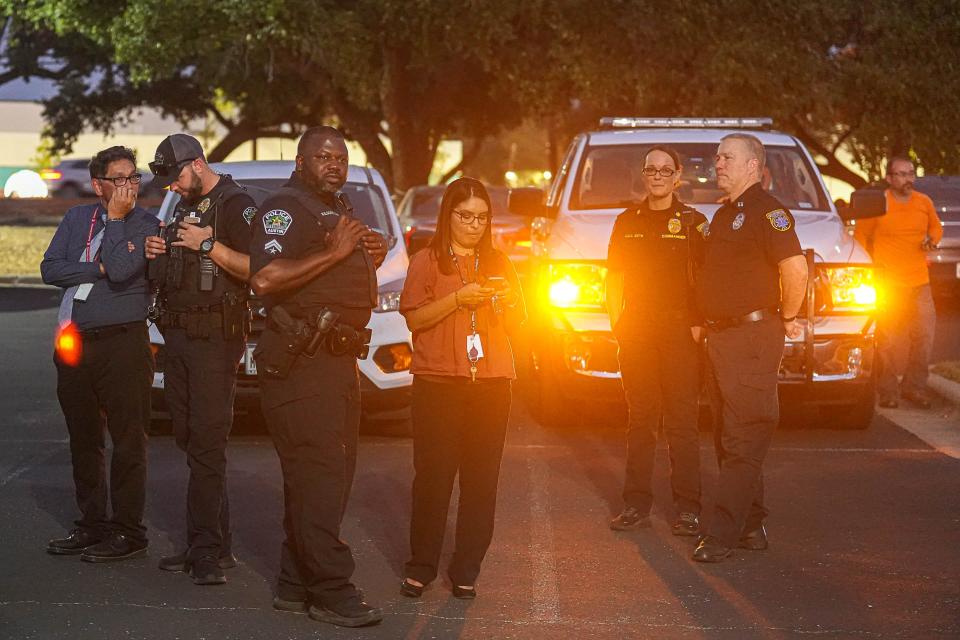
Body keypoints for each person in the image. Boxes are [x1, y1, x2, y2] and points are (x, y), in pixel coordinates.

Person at [248, 126, 387, 628]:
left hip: (336, 361)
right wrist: (334, 251)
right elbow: (265, 278)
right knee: (322, 475)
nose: (335, 165)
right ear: (301, 160)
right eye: (324, 156)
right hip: (302, 362)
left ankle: (294, 581)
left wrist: (366, 250)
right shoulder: (282, 208)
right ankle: (330, 589)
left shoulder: (334, 209)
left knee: (323, 476)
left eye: (341, 158)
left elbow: (337, 272)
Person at [398, 177, 526, 600]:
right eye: (465, 216)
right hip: (438, 382)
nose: (474, 225)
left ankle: (467, 567)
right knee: (433, 478)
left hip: (490, 383)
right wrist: (458, 299)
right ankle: (421, 565)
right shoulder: (427, 261)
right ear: (448, 215)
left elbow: (519, 321)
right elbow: (414, 319)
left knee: (481, 481)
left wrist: (505, 301)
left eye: (482, 218)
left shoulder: (499, 261)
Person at [144, 133, 257, 585]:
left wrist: (208, 245)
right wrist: (159, 252)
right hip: (179, 337)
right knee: (191, 438)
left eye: (176, 177)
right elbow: (178, 269)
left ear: (198, 163)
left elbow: (256, 269)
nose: (171, 187)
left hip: (215, 340)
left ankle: (206, 550)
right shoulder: (183, 205)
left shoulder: (235, 203)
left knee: (207, 442)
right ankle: (213, 542)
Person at [693, 133, 808, 563]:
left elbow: (795, 268)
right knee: (729, 434)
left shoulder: (769, 211)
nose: (718, 163)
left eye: (727, 157)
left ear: (751, 165)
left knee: (745, 436)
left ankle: (722, 533)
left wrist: (790, 317)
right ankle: (752, 525)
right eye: (718, 156)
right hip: (721, 338)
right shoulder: (724, 215)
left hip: (752, 338)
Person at [41, 146, 158, 562]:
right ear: (98, 185)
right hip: (76, 341)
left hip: (124, 342)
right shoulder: (76, 218)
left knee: (128, 440)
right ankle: (91, 523)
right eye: (119, 179)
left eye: (133, 178)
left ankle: (129, 530)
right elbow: (51, 268)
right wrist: (100, 269)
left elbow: (125, 270)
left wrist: (116, 222)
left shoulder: (146, 223)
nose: (128, 186)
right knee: (84, 438)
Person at [605, 146, 707, 536]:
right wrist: (619, 326)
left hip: (681, 332)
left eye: (667, 169)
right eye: (652, 169)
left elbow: (705, 278)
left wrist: (699, 326)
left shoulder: (694, 222)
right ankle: (635, 504)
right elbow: (614, 279)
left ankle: (688, 509)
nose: (659, 175)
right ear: (644, 175)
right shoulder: (626, 221)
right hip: (638, 331)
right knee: (641, 419)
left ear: (678, 175)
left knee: (683, 422)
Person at [854, 157, 942, 409]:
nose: (908, 179)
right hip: (888, 283)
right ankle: (888, 391)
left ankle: (914, 388)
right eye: (901, 174)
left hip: (919, 282)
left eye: (911, 173)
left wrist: (931, 240)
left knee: (924, 337)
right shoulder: (879, 204)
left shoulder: (923, 202)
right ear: (889, 179)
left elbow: (936, 228)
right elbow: (861, 236)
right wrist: (868, 268)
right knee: (887, 341)